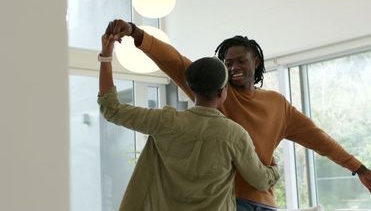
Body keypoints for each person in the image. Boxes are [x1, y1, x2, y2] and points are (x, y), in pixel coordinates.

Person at [105, 20, 371, 211]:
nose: (233, 67)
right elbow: (172, 60)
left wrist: (359, 169)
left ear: (257, 61)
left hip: (264, 203)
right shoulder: (215, 90)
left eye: (241, 60)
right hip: (229, 202)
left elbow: (320, 140)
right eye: (227, 63)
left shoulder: (278, 104)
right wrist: (134, 32)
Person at [97, 32, 280, 211]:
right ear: (221, 92)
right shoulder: (234, 134)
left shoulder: (164, 121)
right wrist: (274, 167)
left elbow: (111, 109)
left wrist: (106, 56)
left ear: (192, 88)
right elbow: (260, 180)